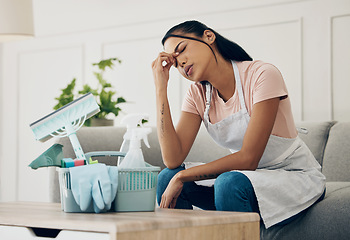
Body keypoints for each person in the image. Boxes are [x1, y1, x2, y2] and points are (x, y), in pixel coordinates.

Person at [151, 20, 326, 229]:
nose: (180, 62)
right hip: (245, 177)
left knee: (227, 183)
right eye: (174, 60)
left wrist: (182, 176)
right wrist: (161, 88)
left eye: (181, 50)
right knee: (166, 177)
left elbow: (249, 158)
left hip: (291, 176)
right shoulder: (197, 94)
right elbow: (172, 159)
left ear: (208, 36)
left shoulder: (262, 74)